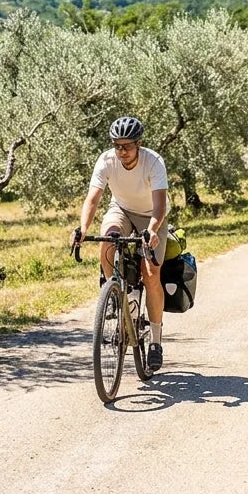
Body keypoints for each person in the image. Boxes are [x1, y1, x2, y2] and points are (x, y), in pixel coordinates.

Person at [72, 116, 171, 371]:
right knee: (108, 238)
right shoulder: (106, 161)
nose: (122, 151)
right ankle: (115, 293)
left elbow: (160, 205)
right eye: (117, 145)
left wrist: (151, 231)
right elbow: (93, 199)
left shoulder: (154, 162)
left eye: (127, 146)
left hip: (152, 216)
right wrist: (83, 229)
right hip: (122, 209)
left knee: (150, 273)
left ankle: (156, 341)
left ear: (139, 144)